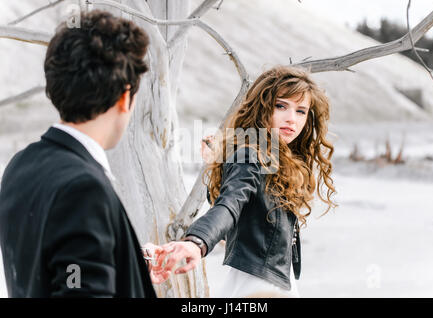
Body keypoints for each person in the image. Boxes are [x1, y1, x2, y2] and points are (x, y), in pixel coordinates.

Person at [0, 10, 167, 297]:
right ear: (125, 97)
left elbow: (55, 264)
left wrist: (123, 262)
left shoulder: (20, 165)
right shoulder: (83, 189)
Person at [155, 66, 337, 297]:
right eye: (281, 106)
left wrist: (218, 166)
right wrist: (197, 242)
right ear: (263, 107)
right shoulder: (252, 154)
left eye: (301, 111)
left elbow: (243, 211)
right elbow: (230, 206)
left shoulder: (278, 158)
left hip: (274, 280)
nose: (292, 119)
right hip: (259, 285)